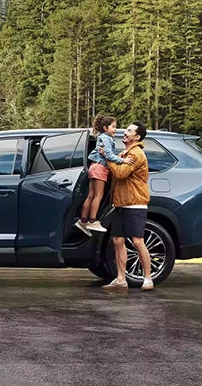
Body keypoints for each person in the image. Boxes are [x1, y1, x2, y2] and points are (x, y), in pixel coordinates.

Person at [100, 120, 154, 291]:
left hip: (135, 204)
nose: (125, 132)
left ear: (136, 137)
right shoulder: (125, 153)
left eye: (129, 131)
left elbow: (121, 173)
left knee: (138, 241)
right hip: (121, 204)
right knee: (117, 240)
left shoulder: (136, 154)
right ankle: (121, 279)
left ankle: (148, 278)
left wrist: (107, 156)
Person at [74, 114, 133, 236]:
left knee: (91, 195)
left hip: (94, 166)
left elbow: (107, 154)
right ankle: (92, 221)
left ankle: (83, 221)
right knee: (98, 196)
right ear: (106, 128)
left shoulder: (102, 137)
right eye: (113, 127)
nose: (115, 130)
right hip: (100, 168)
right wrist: (124, 160)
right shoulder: (106, 138)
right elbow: (109, 155)